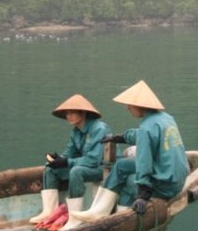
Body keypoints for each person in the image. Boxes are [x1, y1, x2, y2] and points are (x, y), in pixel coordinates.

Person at [71, 80, 187, 222]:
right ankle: (99, 209)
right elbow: (140, 134)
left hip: (165, 185)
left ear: (140, 106)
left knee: (129, 182)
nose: (128, 108)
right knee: (121, 165)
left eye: (130, 105)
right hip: (176, 178)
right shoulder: (166, 119)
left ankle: (111, 214)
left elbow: (144, 163)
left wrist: (143, 195)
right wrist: (119, 137)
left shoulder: (147, 127)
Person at [30, 94, 110, 225]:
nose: (69, 116)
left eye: (72, 112)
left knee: (76, 171)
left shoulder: (99, 129)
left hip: (104, 169)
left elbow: (94, 160)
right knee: (50, 168)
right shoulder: (76, 131)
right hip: (87, 166)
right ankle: (49, 211)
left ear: (83, 113)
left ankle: (74, 217)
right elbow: (69, 153)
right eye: (67, 113)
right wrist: (58, 159)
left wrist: (67, 162)